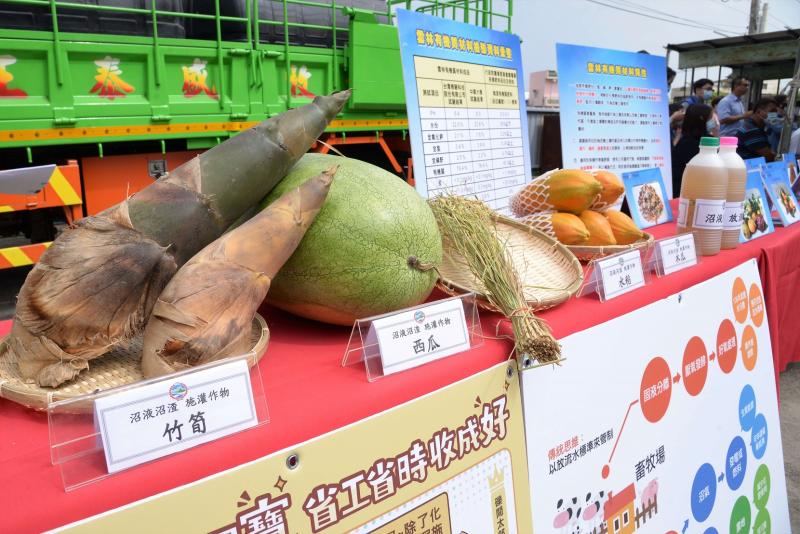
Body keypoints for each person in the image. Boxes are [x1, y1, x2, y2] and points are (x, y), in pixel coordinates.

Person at [671, 104, 713, 195]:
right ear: (702, 119)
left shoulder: (685, 141)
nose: (714, 122)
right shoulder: (700, 143)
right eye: (711, 118)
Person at [736, 98, 778, 162]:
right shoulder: (751, 130)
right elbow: (768, 156)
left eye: (775, 112)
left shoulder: (757, 126)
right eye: (772, 111)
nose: (774, 115)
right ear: (758, 112)